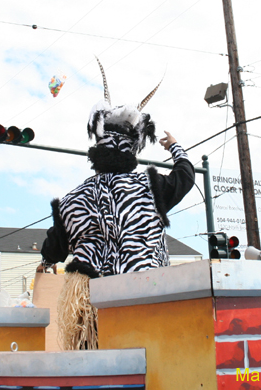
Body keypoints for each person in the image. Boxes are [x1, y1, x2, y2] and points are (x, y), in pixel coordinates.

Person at [39, 60, 195, 349]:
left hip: (90, 303)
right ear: (133, 149)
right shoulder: (151, 188)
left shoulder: (73, 200)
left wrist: (45, 263)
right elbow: (185, 176)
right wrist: (175, 147)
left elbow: (54, 248)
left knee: (98, 364)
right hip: (144, 294)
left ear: (96, 148)